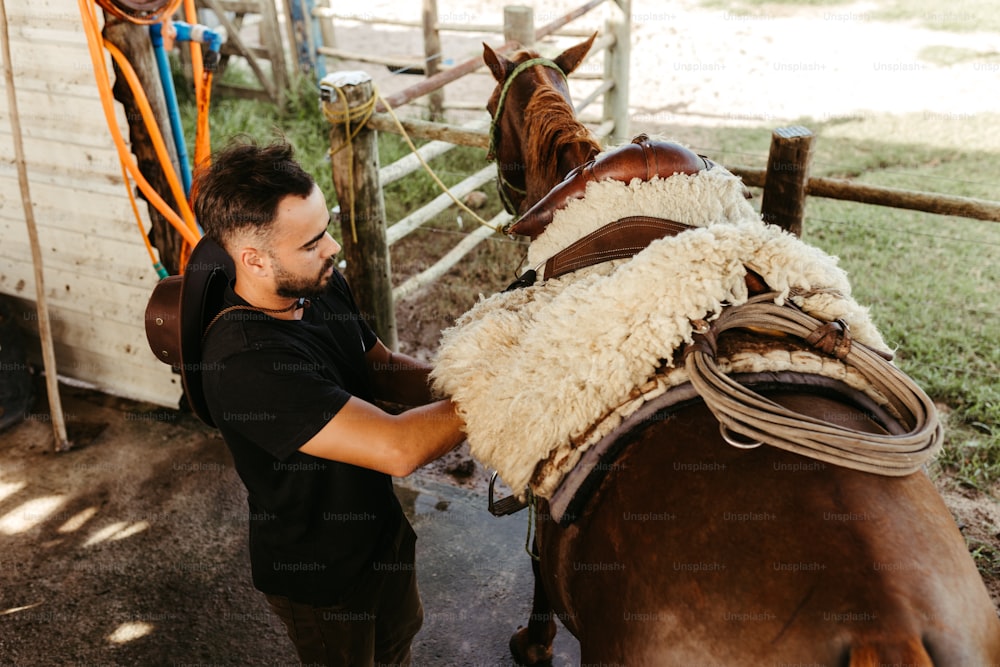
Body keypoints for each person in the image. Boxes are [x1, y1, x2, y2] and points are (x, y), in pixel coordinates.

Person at [192, 136, 466, 666]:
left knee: (397, 647)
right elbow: (398, 448)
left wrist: (467, 374)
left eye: (327, 229)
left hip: (378, 534)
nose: (332, 248)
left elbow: (380, 368)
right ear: (254, 260)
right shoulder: (247, 364)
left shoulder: (314, 284)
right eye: (312, 241)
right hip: (322, 576)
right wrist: (513, 391)